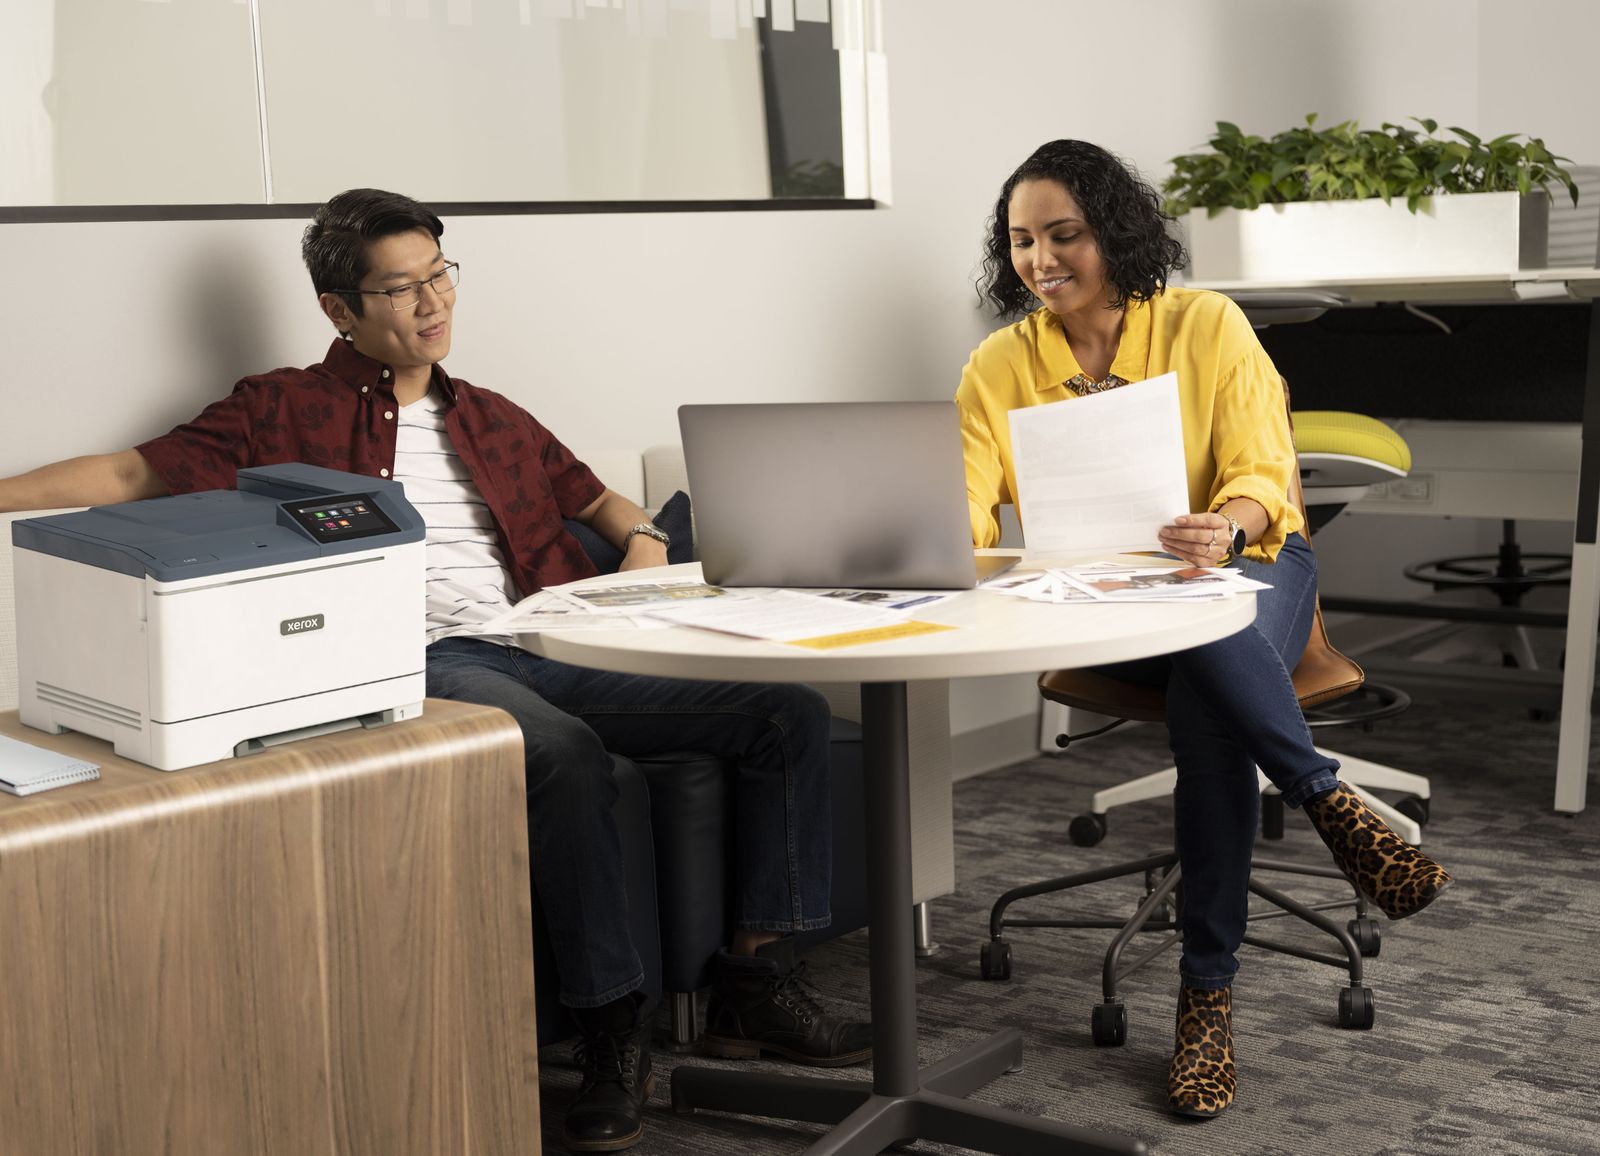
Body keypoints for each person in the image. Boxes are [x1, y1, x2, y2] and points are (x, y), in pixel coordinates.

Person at [0, 188, 870, 1153]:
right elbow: (132, 475)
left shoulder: (493, 416)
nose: (433, 303)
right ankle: (610, 1028)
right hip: (425, 663)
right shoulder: (280, 409)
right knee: (564, 756)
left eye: (441, 275)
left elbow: (601, 503)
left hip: (547, 641)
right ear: (339, 309)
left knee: (784, 711)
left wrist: (646, 543)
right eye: (401, 288)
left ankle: (756, 979)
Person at [956, 141, 1453, 1119]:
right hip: (1107, 600)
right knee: (1203, 676)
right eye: (1021, 240)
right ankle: (1327, 801)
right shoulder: (999, 364)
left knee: (1206, 684)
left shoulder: (1205, 324)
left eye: (1064, 235)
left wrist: (1223, 526)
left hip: (1250, 567)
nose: (1041, 260)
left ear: (1115, 232)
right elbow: (967, 515)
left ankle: (1205, 995)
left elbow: (1264, 476)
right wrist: (936, 538)